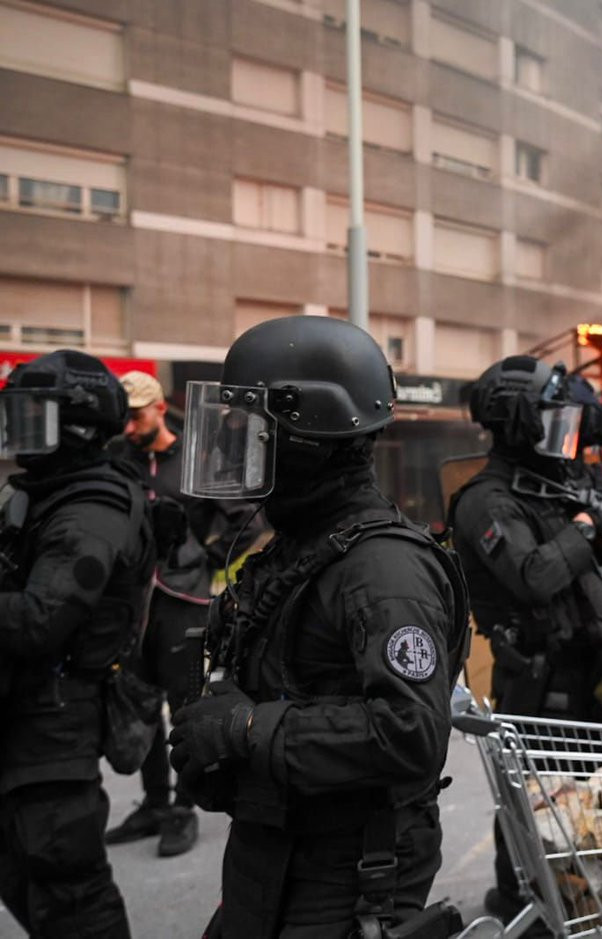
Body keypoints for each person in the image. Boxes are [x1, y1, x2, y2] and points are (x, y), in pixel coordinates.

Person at [166, 316, 468, 937]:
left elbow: (409, 731)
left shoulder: (384, 569)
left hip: (347, 873)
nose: (234, 440)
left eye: (250, 426)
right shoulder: (302, 545)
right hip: (275, 852)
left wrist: (248, 729)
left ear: (303, 433)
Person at [451, 356, 602, 923]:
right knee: (535, 800)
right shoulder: (487, 500)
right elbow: (535, 576)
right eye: (550, 421)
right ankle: (522, 901)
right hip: (538, 679)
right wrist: (586, 529)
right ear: (518, 423)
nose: (563, 438)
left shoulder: (572, 483)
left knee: (599, 798)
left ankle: (592, 895)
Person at [0, 350, 155, 938]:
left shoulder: (91, 506)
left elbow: (42, 618)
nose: (17, 431)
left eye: (30, 416)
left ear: (75, 424)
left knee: (70, 895)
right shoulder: (51, 493)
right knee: (29, 881)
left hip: (56, 723)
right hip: (28, 717)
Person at [104, 370, 262, 857]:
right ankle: (152, 803)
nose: (129, 428)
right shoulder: (119, 460)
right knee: (139, 701)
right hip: (131, 603)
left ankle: (181, 808)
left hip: (181, 599)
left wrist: (207, 560)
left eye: (135, 417)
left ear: (155, 408)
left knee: (182, 703)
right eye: (123, 419)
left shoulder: (197, 458)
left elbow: (246, 517)